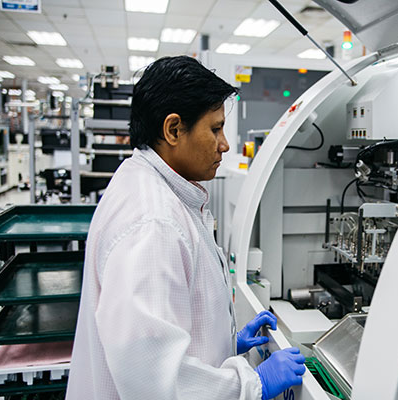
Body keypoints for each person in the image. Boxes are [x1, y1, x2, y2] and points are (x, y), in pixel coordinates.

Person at [67, 56, 306, 400]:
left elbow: (155, 332)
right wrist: (251, 384)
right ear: (174, 129)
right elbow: (153, 381)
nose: (224, 144)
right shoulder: (153, 224)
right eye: (215, 129)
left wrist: (223, 341)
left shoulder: (145, 182)